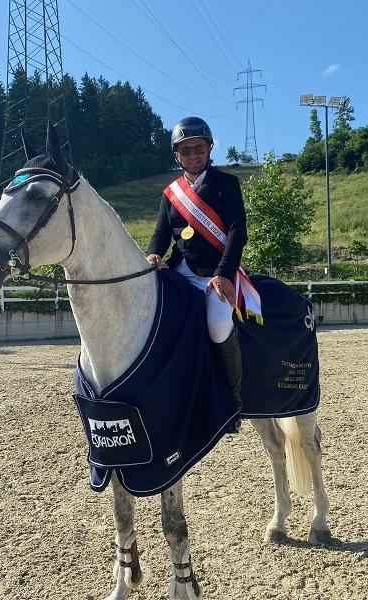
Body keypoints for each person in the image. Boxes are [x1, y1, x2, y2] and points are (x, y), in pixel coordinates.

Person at [147, 117, 247, 432]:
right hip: (180, 272)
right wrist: (153, 254)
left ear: (209, 149)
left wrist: (224, 274)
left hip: (215, 275)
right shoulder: (170, 193)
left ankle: (233, 400)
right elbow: (161, 235)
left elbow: (237, 232)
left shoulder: (226, 184)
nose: (193, 155)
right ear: (177, 155)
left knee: (218, 326)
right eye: (186, 150)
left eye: (198, 149)